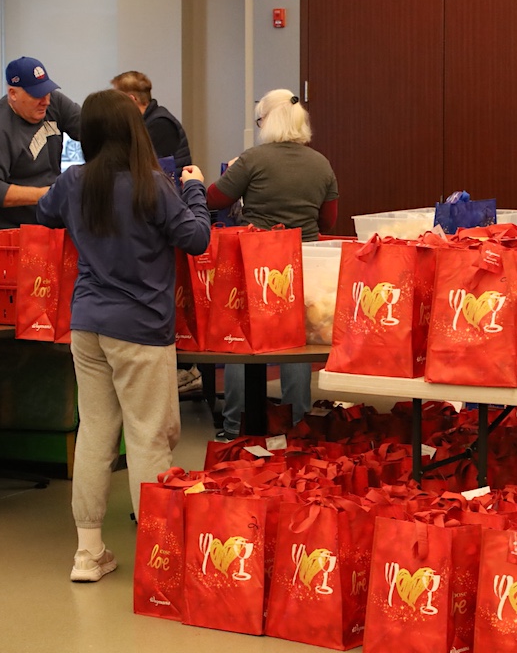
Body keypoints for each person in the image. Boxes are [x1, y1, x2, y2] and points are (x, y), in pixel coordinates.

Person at [36, 89, 211, 581]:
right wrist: (194, 189)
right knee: (148, 437)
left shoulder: (73, 181)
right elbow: (197, 239)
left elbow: (44, 214)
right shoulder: (152, 184)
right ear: (132, 130)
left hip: (87, 326)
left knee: (95, 434)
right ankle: (158, 562)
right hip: (141, 330)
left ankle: (88, 554)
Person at [206, 88, 338, 440]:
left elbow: (214, 199)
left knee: (242, 339)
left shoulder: (252, 159)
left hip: (257, 261)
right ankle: (297, 423)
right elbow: (327, 221)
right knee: (296, 341)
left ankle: (235, 426)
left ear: (267, 121)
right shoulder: (321, 164)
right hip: (304, 261)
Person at [110, 70, 203, 395]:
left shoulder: (158, 125)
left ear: (131, 101)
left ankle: (184, 370)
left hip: (168, 216)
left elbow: (148, 172)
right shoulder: (154, 121)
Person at [0, 56, 82, 232]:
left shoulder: (54, 103)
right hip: (4, 232)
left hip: (44, 223)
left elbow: (91, 129)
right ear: (13, 94)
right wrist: (49, 194)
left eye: (47, 91)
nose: (46, 101)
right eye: (37, 95)